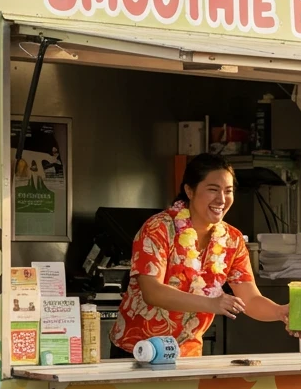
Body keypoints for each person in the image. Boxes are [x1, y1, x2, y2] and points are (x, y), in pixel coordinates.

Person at [110, 153, 287, 358]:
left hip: (188, 353)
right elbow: (152, 291)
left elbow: (250, 299)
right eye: (213, 189)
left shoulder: (232, 239)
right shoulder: (158, 228)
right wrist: (212, 304)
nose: (221, 199)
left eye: (228, 191)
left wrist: (280, 312)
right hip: (138, 350)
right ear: (189, 190)